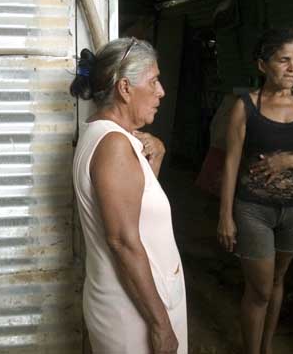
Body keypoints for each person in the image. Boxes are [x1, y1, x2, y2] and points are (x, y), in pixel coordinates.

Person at [217, 28, 293, 354]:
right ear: (263, 65)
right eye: (283, 60)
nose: (292, 68)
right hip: (254, 210)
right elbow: (230, 163)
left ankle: (266, 347)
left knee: (278, 281)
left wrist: (288, 160)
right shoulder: (246, 107)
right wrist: (225, 216)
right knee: (260, 291)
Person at [71, 37, 187, 354]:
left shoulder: (113, 137)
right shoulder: (114, 146)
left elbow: (138, 211)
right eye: (153, 81)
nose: (161, 91)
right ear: (124, 88)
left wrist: (156, 158)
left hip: (137, 301)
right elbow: (122, 240)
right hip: (133, 312)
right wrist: (160, 325)